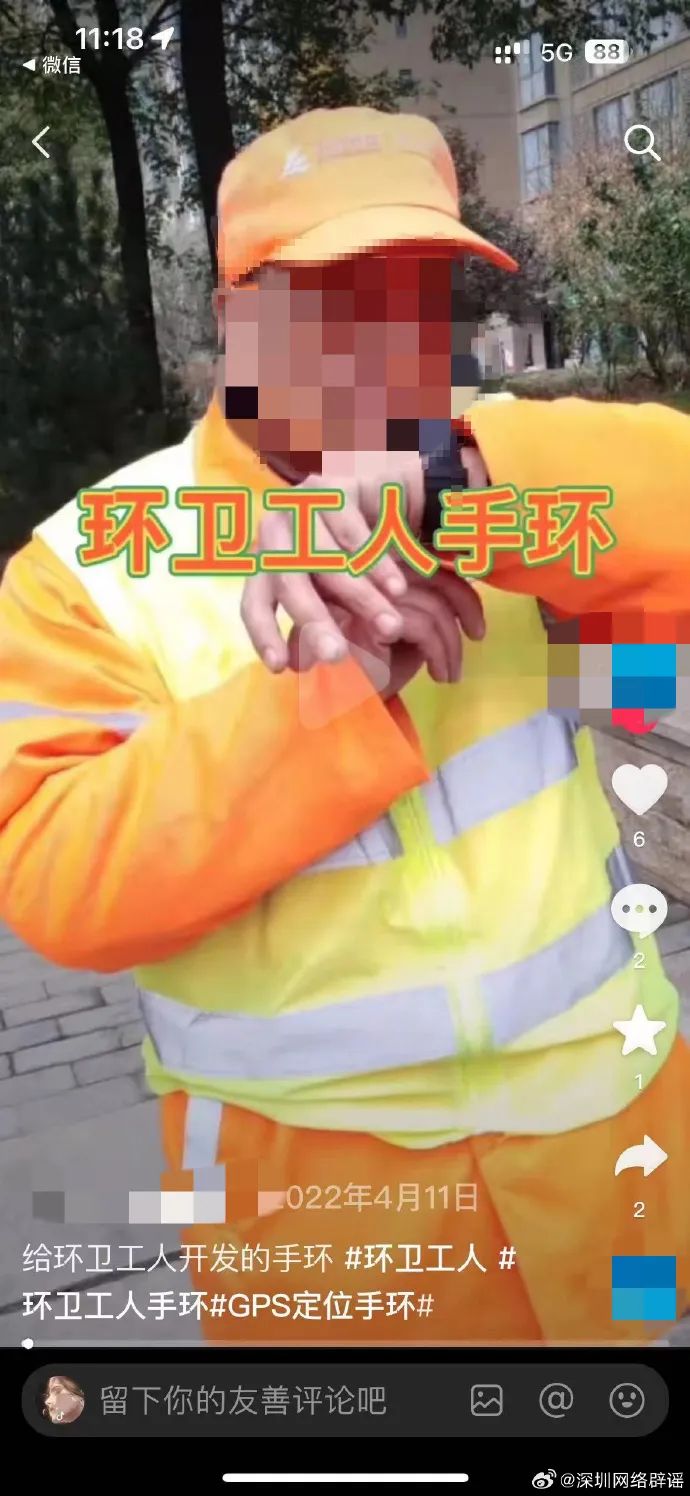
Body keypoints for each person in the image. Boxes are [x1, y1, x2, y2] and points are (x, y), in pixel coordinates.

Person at [0, 106, 689, 1347]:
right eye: (330, 296)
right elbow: (60, 880)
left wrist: (455, 483)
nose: (389, 338)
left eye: (421, 295)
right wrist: (331, 686)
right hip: (335, 1242)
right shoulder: (93, 562)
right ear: (235, 319)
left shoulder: (495, 480)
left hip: (604, 1191)